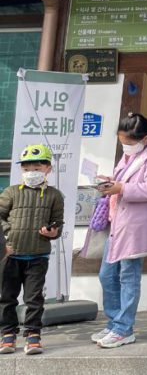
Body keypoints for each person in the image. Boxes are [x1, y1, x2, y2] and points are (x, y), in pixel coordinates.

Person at [92, 112, 147, 349]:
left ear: (145, 139)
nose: (125, 147)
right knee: (107, 275)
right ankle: (115, 322)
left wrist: (121, 187)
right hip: (118, 223)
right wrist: (111, 181)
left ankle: (124, 328)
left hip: (136, 226)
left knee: (128, 276)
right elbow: (124, 180)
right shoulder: (129, 156)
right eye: (122, 142)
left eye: (128, 143)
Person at [0, 144, 64, 355]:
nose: (31, 173)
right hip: (11, 255)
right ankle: (8, 334)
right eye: (26, 169)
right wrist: (7, 234)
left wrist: (52, 232)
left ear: (48, 169)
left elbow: (58, 223)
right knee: (7, 296)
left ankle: (33, 334)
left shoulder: (55, 195)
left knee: (34, 298)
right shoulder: (10, 192)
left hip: (38, 256)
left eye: (37, 168)